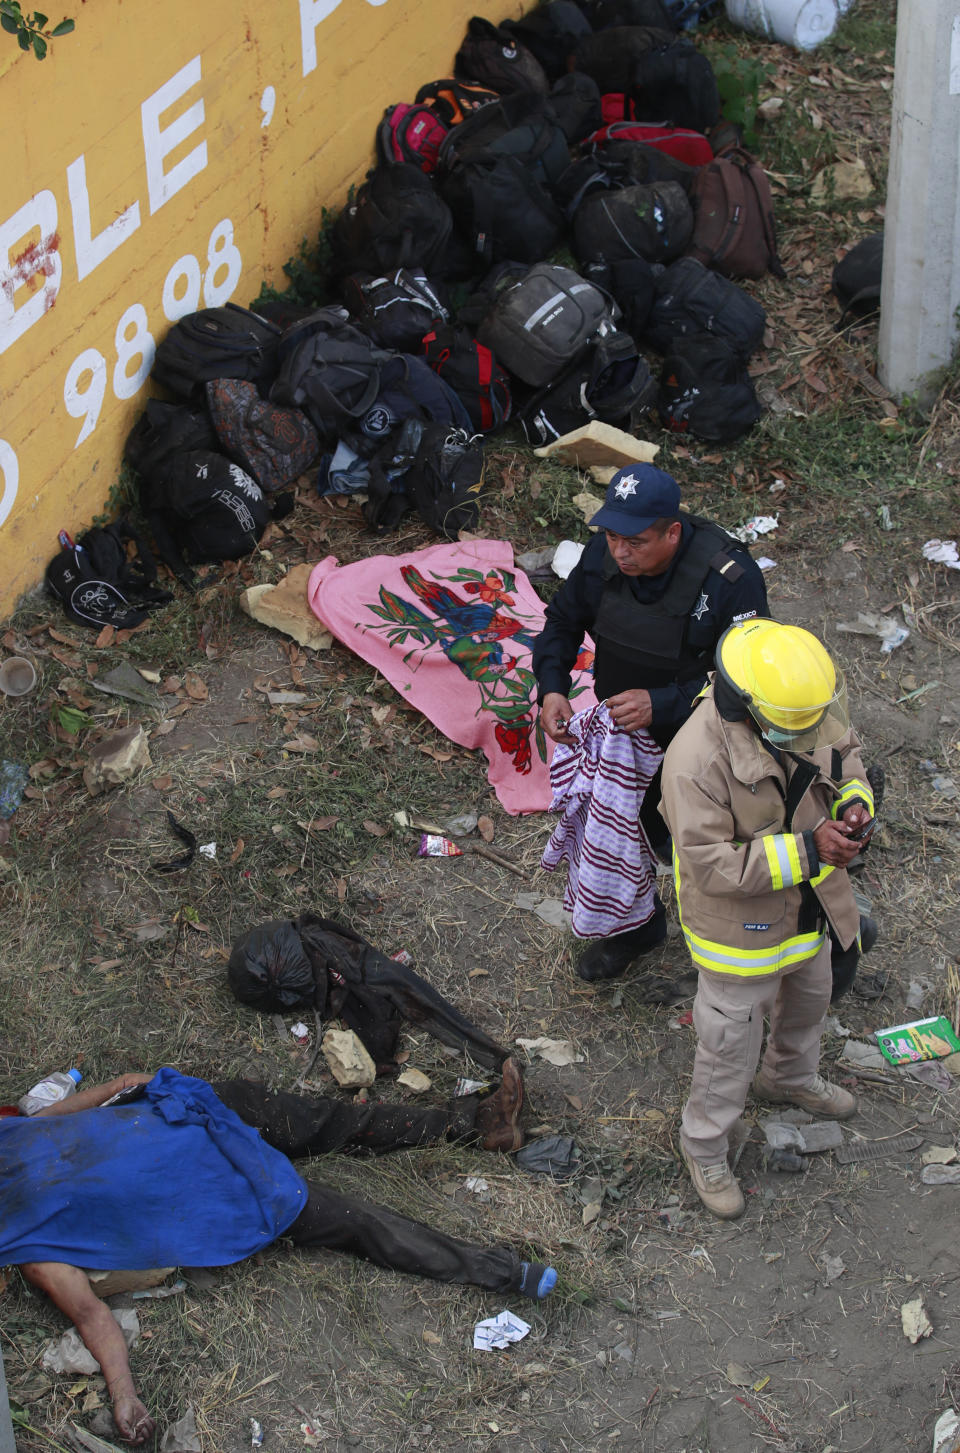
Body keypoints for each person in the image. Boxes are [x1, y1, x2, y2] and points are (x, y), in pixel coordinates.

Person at [5, 1062, 550, 1445]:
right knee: (359, 1223)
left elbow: (115, 1089)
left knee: (331, 1122)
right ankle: (504, 1272)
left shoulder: (15, 1132)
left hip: (200, 1116)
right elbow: (91, 1314)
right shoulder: (30, 1248)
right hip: (226, 1197)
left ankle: (476, 1124)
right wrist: (124, 1396)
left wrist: (160, 1086)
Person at [659, 620, 875, 1219]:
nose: (806, 734)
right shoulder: (694, 760)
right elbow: (710, 866)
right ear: (745, 705)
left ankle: (787, 1077)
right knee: (729, 1042)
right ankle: (703, 1144)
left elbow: (844, 752)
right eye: (793, 728)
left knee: (810, 997)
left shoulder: (799, 702)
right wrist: (811, 851)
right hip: (739, 936)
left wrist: (855, 802)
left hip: (808, 912)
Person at [532, 463, 768, 980]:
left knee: (705, 846)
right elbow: (563, 621)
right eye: (613, 536)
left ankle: (733, 934)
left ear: (672, 532)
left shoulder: (730, 579)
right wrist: (550, 686)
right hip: (624, 736)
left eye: (636, 541)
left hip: (705, 738)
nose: (620, 552)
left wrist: (663, 703)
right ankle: (638, 926)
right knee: (620, 829)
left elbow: (748, 681)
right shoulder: (604, 554)